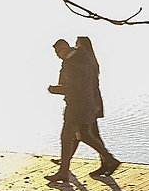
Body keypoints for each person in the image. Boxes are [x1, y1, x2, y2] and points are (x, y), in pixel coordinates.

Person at [47, 36, 119, 183]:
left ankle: (63, 172)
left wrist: (55, 90)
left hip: (76, 105)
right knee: (85, 135)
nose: (57, 56)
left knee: (67, 137)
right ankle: (109, 160)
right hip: (87, 104)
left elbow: (74, 88)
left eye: (57, 52)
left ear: (63, 49)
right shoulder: (84, 59)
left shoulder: (71, 63)